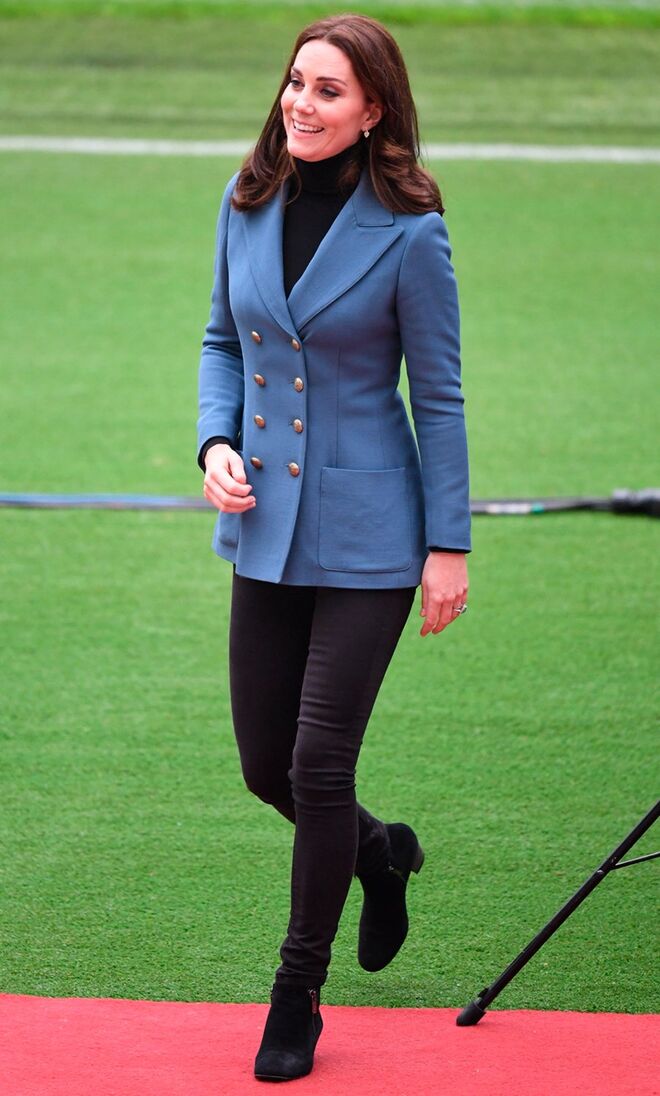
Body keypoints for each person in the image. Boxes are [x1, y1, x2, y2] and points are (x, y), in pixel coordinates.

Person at [197, 13, 470, 1082]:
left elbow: (437, 398)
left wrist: (447, 544)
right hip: (261, 523)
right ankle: (378, 850)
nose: (301, 106)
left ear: (374, 110)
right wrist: (215, 437)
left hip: (372, 536)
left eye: (328, 92)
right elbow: (223, 338)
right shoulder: (245, 198)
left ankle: (296, 989)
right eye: (295, 85)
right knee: (267, 763)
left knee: (318, 762)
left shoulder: (411, 230)